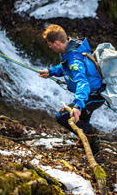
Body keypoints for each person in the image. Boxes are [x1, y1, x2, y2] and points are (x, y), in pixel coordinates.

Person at [39, 24, 105, 155]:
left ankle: (92, 136)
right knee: (82, 123)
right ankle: (93, 153)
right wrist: (50, 71)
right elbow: (65, 67)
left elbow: (82, 82)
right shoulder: (71, 49)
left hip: (93, 95)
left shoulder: (74, 59)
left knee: (63, 117)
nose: (49, 47)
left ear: (56, 43)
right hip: (91, 93)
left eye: (50, 44)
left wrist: (78, 105)